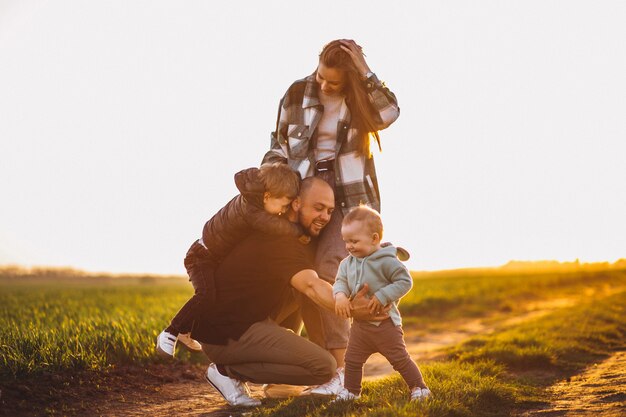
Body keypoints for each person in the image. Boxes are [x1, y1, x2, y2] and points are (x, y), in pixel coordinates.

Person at [262, 38, 400, 394]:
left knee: (330, 273)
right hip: (301, 192)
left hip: (347, 199)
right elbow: (278, 143)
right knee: (295, 276)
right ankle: (291, 369)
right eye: (322, 77)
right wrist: (273, 179)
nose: (325, 85)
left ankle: (337, 373)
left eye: (334, 82)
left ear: (350, 78)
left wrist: (366, 73)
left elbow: (389, 114)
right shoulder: (296, 93)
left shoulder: (361, 98)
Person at [191, 177, 386, 407]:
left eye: (330, 211)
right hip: (225, 333)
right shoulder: (281, 241)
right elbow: (313, 286)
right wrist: (354, 308)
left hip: (243, 324)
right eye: (318, 208)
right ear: (296, 204)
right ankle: (227, 371)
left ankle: (237, 370)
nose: (325, 216)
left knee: (300, 307)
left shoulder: (293, 237)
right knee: (323, 366)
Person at [156, 163, 302, 357]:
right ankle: (171, 332)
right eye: (283, 206)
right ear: (267, 196)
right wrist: (301, 230)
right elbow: (273, 225)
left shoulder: (255, 198)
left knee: (218, 297)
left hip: (213, 256)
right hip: (201, 256)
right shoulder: (252, 209)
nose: (283, 211)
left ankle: (186, 331)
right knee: (206, 294)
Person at [333, 206, 431, 402]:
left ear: (375, 238)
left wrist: (383, 295)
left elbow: (405, 281)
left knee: (399, 360)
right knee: (352, 361)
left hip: (385, 324)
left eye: (354, 241)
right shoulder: (347, 263)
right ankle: (352, 391)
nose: (349, 246)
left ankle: (419, 388)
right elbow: (340, 282)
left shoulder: (387, 261)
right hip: (360, 327)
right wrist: (341, 296)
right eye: (346, 241)